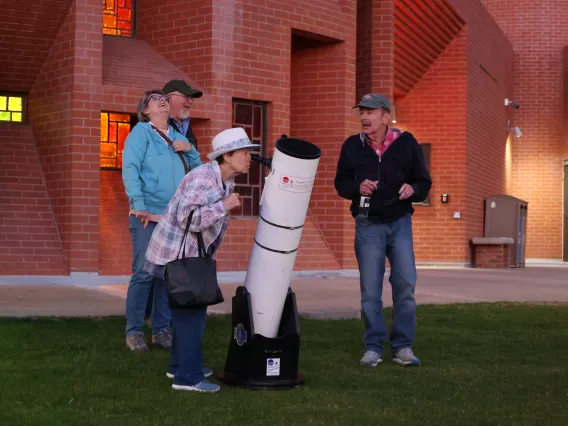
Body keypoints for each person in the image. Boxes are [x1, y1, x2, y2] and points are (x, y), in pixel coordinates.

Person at [145, 127, 260, 393]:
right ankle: (187, 378)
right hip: (177, 255)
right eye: (245, 152)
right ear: (227, 156)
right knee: (191, 315)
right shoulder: (203, 178)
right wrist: (224, 206)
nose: (249, 157)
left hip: (186, 255)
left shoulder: (223, 179)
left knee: (188, 313)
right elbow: (188, 219)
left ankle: (180, 366)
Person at [334, 93, 432, 367]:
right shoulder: (352, 146)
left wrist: (413, 190)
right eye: (361, 112)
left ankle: (403, 347)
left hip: (400, 223)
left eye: (370, 112)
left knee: (405, 285)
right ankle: (373, 347)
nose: (364, 117)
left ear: (386, 116)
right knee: (370, 290)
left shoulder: (406, 143)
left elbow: (423, 181)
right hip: (368, 224)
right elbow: (340, 182)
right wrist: (357, 188)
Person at [122, 90, 202, 354]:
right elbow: (130, 167)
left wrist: (189, 149)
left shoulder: (178, 136)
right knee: (144, 274)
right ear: (146, 110)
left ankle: (161, 330)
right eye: (154, 99)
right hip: (146, 216)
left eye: (163, 97)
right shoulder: (140, 133)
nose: (161, 100)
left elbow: (198, 169)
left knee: (166, 276)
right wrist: (138, 203)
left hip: (173, 217)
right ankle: (134, 332)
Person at [162, 79, 202, 149]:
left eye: (192, 98)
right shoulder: (157, 123)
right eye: (186, 96)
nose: (190, 102)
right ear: (169, 97)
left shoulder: (186, 123)